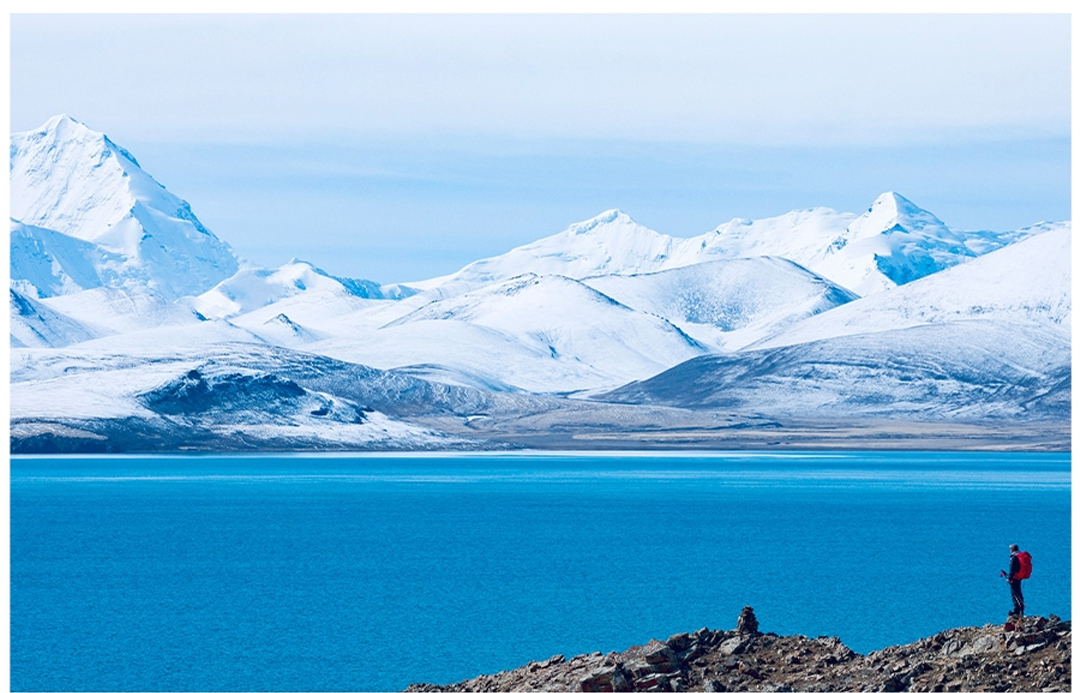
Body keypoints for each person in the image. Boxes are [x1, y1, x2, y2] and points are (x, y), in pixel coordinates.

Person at [1006, 544, 1031, 618]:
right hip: (1019, 578)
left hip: (1014, 578)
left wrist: (1009, 578)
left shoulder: (1014, 558)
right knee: (1019, 593)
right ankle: (1020, 609)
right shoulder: (1020, 556)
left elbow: (1013, 569)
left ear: (1012, 550)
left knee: (1015, 594)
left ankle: (1017, 610)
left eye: (1010, 549)